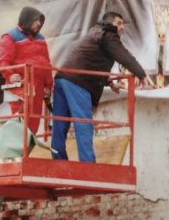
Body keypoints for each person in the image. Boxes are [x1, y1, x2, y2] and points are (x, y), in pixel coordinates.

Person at [52, 11, 151, 162]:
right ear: (110, 23)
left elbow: (90, 61)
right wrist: (142, 75)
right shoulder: (108, 35)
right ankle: (88, 165)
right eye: (119, 23)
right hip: (78, 82)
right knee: (84, 124)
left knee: (59, 125)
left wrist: (109, 82)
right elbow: (124, 57)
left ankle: (58, 162)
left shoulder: (94, 32)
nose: (122, 27)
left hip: (62, 78)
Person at [0, 6, 53, 134]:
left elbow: (46, 64)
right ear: (27, 19)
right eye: (36, 20)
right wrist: (10, 75)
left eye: (40, 21)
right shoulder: (9, 37)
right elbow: (3, 61)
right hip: (21, 86)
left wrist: (48, 86)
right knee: (20, 124)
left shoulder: (41, 38)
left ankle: (27, 147)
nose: (39, 24)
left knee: (33, 125)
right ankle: (20, 148)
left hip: (38, 87)